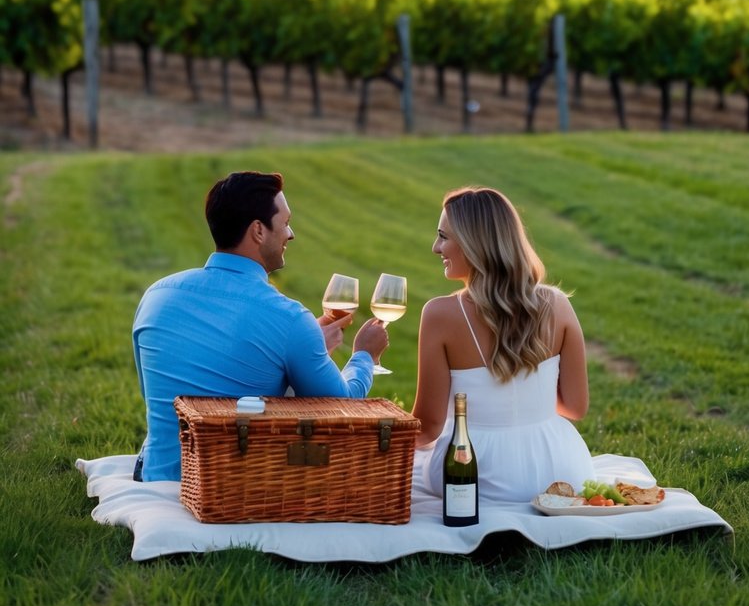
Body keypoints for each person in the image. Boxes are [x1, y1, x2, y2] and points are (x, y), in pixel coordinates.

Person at [132, 170, 388, 481]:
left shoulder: (156, 295)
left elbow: (161, 395)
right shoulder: (290, 319)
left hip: (158, 476)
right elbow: (341, 408)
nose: (290, 234)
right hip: (234, 489)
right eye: (285, 223)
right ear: (258, 231)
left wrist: (309, 345)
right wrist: (363, 355)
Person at [412, 186, 594, 503]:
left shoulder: (439, 315)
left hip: (472, 474)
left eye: (444, 236)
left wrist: (369, 441)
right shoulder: (558, 304)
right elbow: (576, 408)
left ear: (474, 245)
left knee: (417, 461)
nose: (435, 247)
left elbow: (427, 427)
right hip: (560, 470)